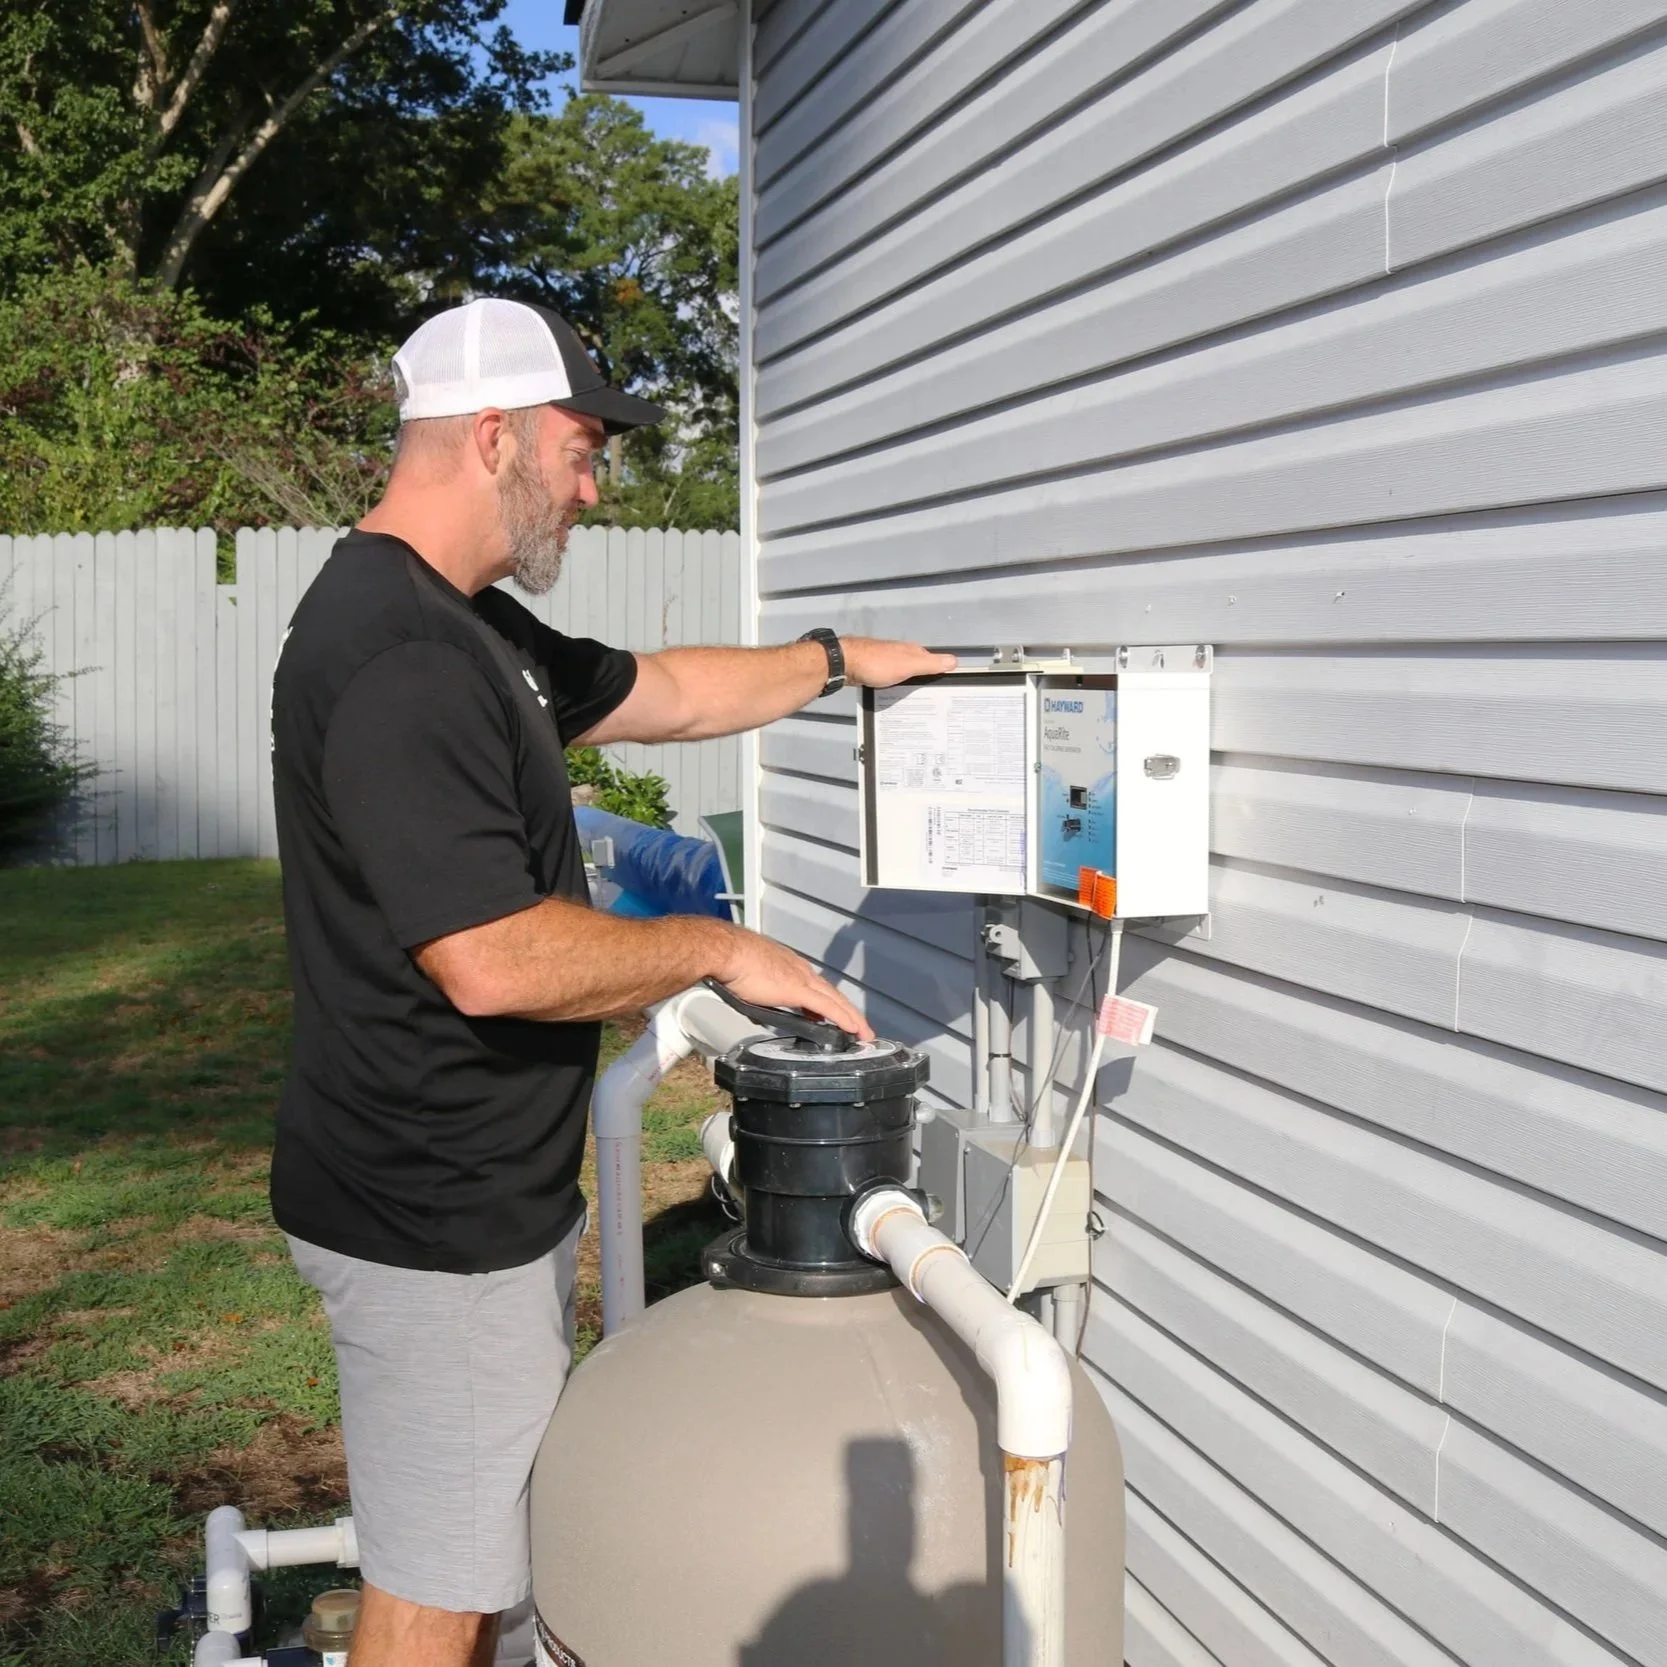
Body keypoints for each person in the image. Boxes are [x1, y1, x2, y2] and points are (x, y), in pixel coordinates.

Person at [268, 296, 953, 1667]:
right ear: (490, 436)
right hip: (429, 1218)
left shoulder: (476, 630)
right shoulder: (401, 656)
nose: (594, 483)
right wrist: (715, 944)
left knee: (488, 1563)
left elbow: (676, 691)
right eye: (580, 447)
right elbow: (493, 958)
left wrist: (837, 662)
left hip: (475, 1201)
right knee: (437, 1589)